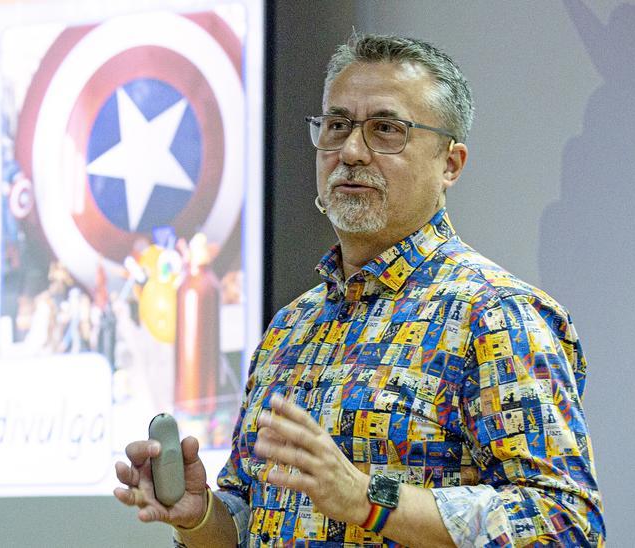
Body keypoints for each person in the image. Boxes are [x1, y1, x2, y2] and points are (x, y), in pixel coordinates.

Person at [114, 34, 605, 547]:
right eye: (337, 125)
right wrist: (199, 516)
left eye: (386, 130)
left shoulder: (495, 314)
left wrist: (370, 500)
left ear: (450, 164)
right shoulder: (292, 326)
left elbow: (565, 524)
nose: (350, 151)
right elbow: (250, 526)